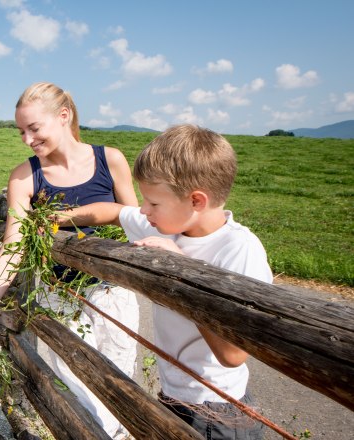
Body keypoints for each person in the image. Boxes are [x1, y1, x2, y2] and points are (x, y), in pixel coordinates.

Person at [57, 124, 271, 439]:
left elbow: (233, 354)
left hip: (216, 412)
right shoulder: (165, 225)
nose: (144, 210)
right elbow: (116, 211)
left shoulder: (239, 249)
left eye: (154, 203)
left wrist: (183, 271)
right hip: (176, 398)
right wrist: (62, 218)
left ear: (196, 201)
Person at [0, 82, 140, 439]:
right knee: (76, 396)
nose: (26, 139)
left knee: (118, 388)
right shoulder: (25, 177)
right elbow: (14, 249)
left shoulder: (110, 159)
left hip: (112, 295)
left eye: (34, 128)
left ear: (63, 116)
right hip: (58, 302)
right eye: (21, 131)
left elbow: (135, 223)